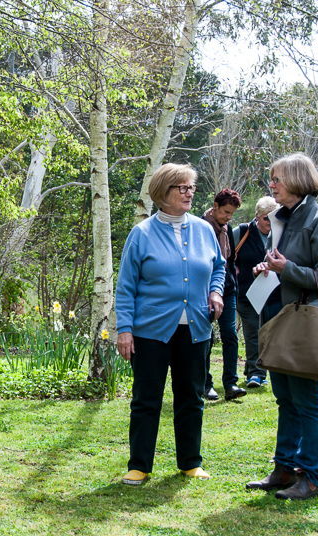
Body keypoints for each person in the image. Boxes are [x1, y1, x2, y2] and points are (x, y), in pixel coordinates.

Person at [116, 163, 226, 486]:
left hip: (195, 330)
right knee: (146, 399)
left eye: (191, 187)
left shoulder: (205, 231)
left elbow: (218, 267)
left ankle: (191, 462)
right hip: (150, 332)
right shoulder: (142, 234)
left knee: (191, 397)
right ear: (163, 193)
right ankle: (139, 465)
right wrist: (124, 329)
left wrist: (216, 292)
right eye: (182, 188)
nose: (189, 192)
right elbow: (126, 286)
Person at [246, 153, 318, 500]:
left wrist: (286, 269)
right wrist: (268, 267)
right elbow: (285, 266)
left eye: (277, 179)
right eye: (271, 178)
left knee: (308, 403)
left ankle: (311, 477)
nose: (271, 184)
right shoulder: (280, 219)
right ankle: (284, 469)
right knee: (285, 400)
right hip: (278, 318)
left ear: (299, 180)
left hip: (304, 325)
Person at [201, 189, 247, 401]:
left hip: (228, 290)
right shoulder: (200, 227)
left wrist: (233, 284)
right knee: (206, 338)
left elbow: (229, 261)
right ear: (215, 206)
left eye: (232, 214)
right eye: (226, 212)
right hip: (204, 291)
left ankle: (230, 383)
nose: (229, 217)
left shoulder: (226, 229)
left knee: (230, 334)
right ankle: (205, 384)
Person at [233, 196, 280, 388]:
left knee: (268, 334)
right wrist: (232, 269)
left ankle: (255, 369)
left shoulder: (280, 233)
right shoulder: (242, 231)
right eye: (266, 218)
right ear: (257, 217)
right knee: (254, 334)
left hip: (272, 293)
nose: (269, 222)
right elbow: (224, 254)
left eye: (273, 218)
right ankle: (256, 374)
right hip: (245, 292)